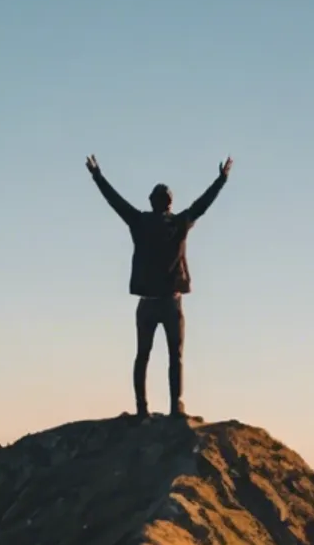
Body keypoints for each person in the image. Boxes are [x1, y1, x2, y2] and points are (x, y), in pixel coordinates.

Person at [87, 155, 231, 419]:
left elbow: (115, 201)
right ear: (170, 203)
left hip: (148, 303)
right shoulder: (179, 223)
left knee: (143, 355)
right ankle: (176, 405)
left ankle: (142, 408)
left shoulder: (140, 222)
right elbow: (202, 205)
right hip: (171, 302)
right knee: (175, 356)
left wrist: (97, 176)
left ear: (151, 202)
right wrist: (221, 180)